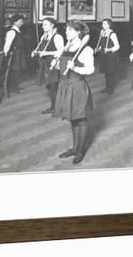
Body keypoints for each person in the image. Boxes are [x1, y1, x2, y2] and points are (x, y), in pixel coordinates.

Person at [53, 20, 95, 165]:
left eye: (70, 30)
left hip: (77, 87)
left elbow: (90, 70)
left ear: (78, 32)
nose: (67, 33)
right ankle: (75, 147)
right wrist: (57, 64)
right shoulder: (67, 46)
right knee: (72, 118)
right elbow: (63, 66)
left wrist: (75, 68)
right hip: (65, 86)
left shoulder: (86, 50)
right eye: (66, 30)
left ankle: (81, 150)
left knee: (80, 119)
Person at [31, 18, 64, 114]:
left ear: (52, 25)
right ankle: (55, 106)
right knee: (49, 86)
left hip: (53, 63)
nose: (43, 26)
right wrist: (35, 52)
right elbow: (41, 49)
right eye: (43, 24)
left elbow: (61, 51)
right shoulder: (44, 37)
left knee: (53, 85)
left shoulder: (57, 37)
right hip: (44, 64)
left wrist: (46, 53)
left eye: (45, 24)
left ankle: (56, 107)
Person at [1, 14, 25, 96]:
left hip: (19, 53)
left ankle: (16, 86)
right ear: (14, 22)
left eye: (22, 21)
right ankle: (13, 87)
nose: (22, 23)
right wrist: (5, 54)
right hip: (14, 54)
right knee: (14, 70)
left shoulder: (18, 31)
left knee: (18, 70)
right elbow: (7, 45)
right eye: (20, 21)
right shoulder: (11, 32)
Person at [95, 18, 120, 94]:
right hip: (104, 55)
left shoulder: (112, 34)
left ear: (109, 25)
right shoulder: (102, 32)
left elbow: (117, 46)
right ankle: (107, 87)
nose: (103, 25)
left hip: (111, 56)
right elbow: (102, 42)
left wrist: (109, 49)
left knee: (110, 72)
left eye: (105, 24)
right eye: (102, 24)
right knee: (106, 72)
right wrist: (99, 48)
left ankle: (110, 89)